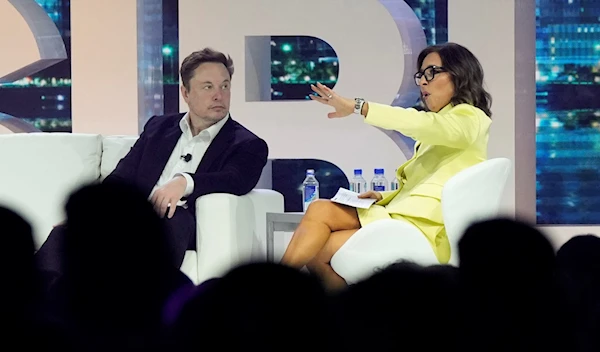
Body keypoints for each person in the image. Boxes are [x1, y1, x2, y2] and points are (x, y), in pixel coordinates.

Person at [35, 47, 269, 275]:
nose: (219, 95)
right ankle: (31, 301)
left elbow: (236, 179)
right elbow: (122, 176)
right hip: (133, 219)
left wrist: (184, 182)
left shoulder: (246, 143)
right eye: (208, 87)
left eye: (225, 86)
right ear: (185, 93)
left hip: (180, 223)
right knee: (68, 232)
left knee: (173, 217)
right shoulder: (158, 128)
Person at [280, 42, 492, 291]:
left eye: (431, 73)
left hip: (424, 229)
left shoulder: (470, 118)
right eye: (421, 75)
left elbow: (421, 123)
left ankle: (271, 289)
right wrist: (384, 196)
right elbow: (427, 184)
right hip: (404, 216)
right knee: (318, 215)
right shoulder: (443, 125)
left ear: (460, 74)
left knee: (318, 248)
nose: (423, 82)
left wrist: (359, 107)